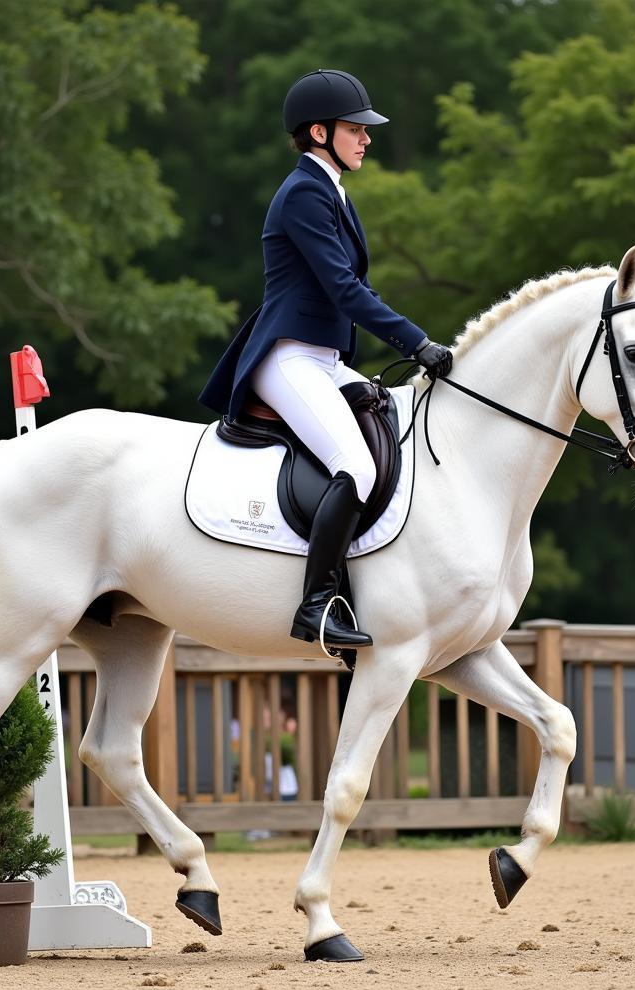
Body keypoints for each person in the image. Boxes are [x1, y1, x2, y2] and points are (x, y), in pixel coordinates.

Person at [199, 69, 452, 650]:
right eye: (355, 128)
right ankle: (316, 604)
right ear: (319, 132)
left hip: (325, 358)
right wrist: (417, 342)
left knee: (396, 424)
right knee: (356, 468)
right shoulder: (304, 193)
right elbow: (344, 289)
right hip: (288, 358)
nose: (366, 138)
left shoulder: (333, 190)